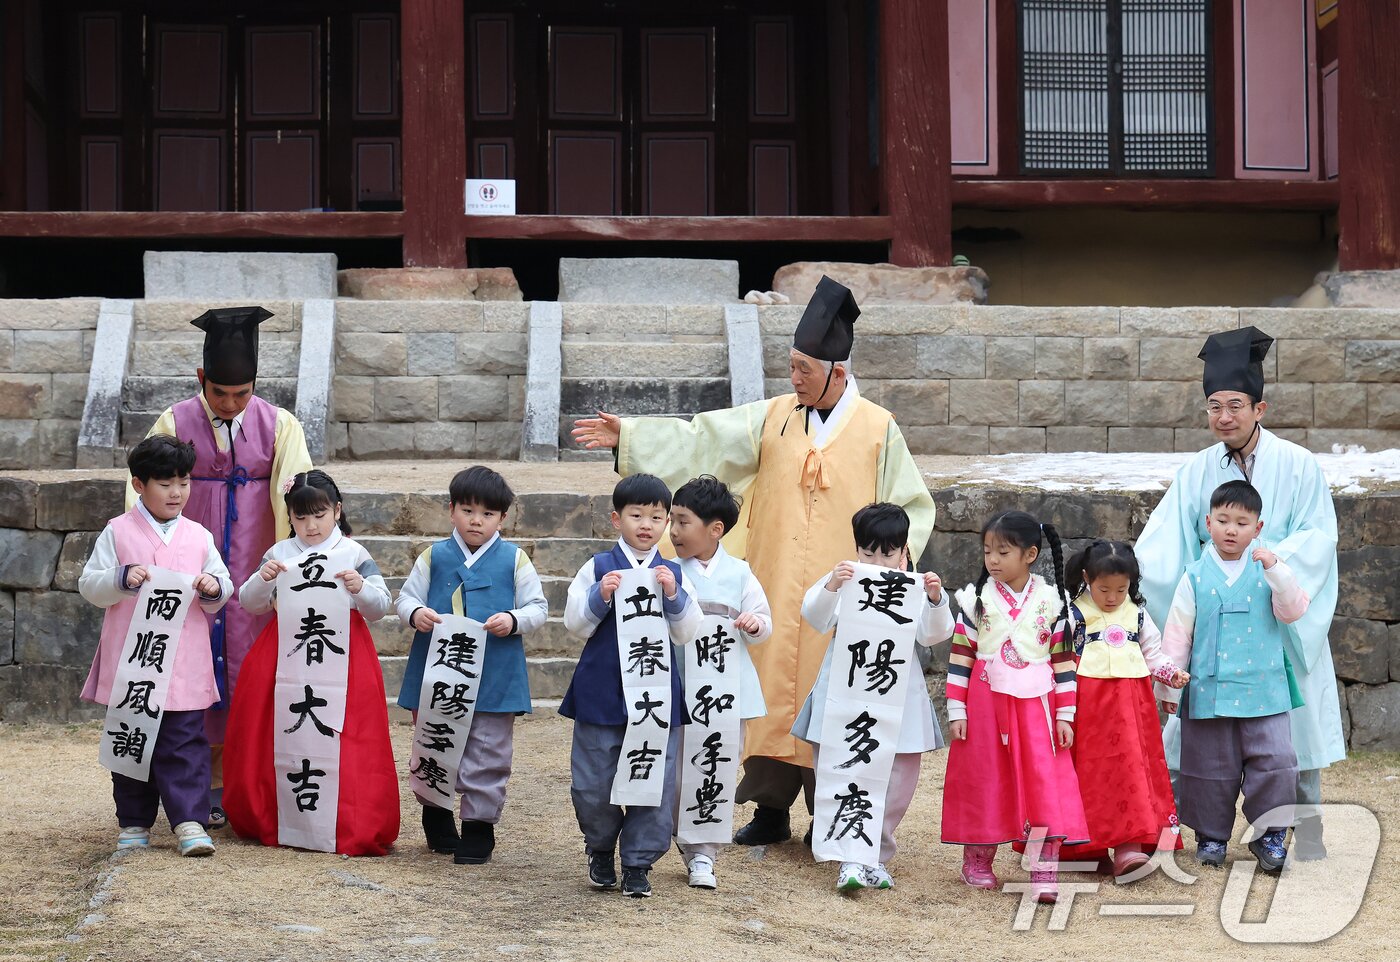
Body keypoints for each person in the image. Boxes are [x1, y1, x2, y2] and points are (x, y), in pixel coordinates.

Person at [572, 277, 935, 848]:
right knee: (765, 687)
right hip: (774, 577)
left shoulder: (877, 428)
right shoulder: (773, 417)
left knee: (836, 693)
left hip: (841, 594)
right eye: (790, 367)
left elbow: (910, 507)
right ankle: (769, 807)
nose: (793, 378)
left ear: (837, 372)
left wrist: (887, 572)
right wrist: (633, 435)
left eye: (804, 369)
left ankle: (831, 811)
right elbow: (702, 440)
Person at [1137, 327, 1344, 860]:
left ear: (1260, 407)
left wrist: (1264, 565)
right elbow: (1165, 546)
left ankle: (1294, 833)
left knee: (1282, 739)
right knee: (1206, 739)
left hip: (1274, 616)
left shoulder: (1299, 464)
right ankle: (1204, 831)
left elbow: (1317, 538)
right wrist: (1196, 586)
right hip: (1215, 621)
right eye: (1214, 406)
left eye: (1235, 405)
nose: (1223, 416)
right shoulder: (1197, 471)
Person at [132, 306, 313, 827]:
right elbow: (141, 489)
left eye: (242, 394)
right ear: (200, 379)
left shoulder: (280, 424)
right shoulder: (173, 420)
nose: (231, 405)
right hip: (192, 565)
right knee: (194, 665)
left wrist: (290, 565)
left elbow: (296, 493)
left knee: (252, 665)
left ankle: (251, 780)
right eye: (219, 393)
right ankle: (202, 783)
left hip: (257, 563)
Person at [223, 470, 400, 856]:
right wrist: (262, 580)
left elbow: (380, 607)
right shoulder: (280, 553)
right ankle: (274, 815)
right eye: (300, 518)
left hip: (345, 652)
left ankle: (349, 821)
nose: (310, 525)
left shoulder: (354, 553)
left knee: (346, 733)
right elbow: (250, 603)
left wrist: (361, 588)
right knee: (275, 729)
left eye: (318, 515)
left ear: (337, 511)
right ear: (290, 518)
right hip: (283, 651)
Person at [79, 435, 233, 856]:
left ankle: (189, 821)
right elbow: (90, 584)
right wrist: (121, 578)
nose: (177, 492)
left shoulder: (199, 536)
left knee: (184, 742)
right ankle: (133, 822)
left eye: (184, 481)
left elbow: (224, 588)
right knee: (130, 739)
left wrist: (211, 586)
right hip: (134, 662)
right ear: (138, 484)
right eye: (165, 483)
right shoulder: (117, 532)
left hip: (183, 661)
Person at [395, 466, 549, 864]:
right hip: (439, 669)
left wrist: (513, 620)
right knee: (434, 739)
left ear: (502, 518)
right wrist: (416, 614)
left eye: (487, 514)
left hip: (495, 670)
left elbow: (538, 608)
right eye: (467, 510)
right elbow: (405, 598)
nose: (476, 520)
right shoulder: (434, 556)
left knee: (488, 748)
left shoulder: (514, 559)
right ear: (451, 511)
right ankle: (436, 814)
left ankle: (480, 827)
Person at [794, 503, 949, 893]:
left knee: (898, 775)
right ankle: (850, 856)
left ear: (904, 551)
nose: (877, 561)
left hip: (897, 695)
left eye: (887, 553)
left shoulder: (913, 585)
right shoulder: (847, 580)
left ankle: (877, 854)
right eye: (868, 552)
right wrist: (831, 585)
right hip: (846, 692)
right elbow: (815, 617)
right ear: (857, 549)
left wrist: (934, 598)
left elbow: (933, 635)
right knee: (842, 766)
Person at [1156, 480, 1309, 873]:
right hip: (1208, 687)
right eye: (1223, 520)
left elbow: (1293, 610)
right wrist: (1169, 681)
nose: (1230, 529)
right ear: (1208, 522)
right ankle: (1211, 835)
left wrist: (1277, 571)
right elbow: (1177, 633)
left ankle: (1271, 834)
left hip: (1265, 688)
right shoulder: (1194, 576)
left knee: (1276, 760)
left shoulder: (1270, 571)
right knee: (1209, 766)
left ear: (1258, 528)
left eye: (1241, 522)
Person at [561, 474, 703, 898]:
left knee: (653, 779)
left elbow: (688, 632)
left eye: (656, 517)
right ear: (616, 519)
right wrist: (599, 596)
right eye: (636, 515)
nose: (646, 525)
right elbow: (574, 624)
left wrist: (674, 595)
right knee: (591, 782)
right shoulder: (598, 567)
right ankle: (600, 847)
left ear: (666, 523)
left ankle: (639, 862)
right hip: (601, 692)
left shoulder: (674, 572)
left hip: (655, 696)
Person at [941, 511, 1087, 905]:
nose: (992, 559)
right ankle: (977, 859)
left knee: (1044, 781)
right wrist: (957, 709)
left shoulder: (1054, 603)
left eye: (1003, 551)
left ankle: (1044, 867)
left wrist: (1065, 715)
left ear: (1030, 554)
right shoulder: (976, 600)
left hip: (1038, 708)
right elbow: (960, 658)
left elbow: (1064, 664)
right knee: (985, 776)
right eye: (987, 550)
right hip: (986, 704)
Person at [667, 475, 773, 890]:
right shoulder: (665, 572)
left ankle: (704, 854)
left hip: (728, 694)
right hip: (679, 688)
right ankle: (676, 837)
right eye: (671, 521)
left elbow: (764, 626)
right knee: (677, 771)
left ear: (715, 529)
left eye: (683, 522)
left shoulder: (741, 573)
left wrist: (753, 624)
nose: (673, 531)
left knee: (717, 769)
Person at [1060, 540, 1188, 877]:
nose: (1113, 597)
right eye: (1104, 589)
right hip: (1086, 705)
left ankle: (1130, 845)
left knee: (1132, 770)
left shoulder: (1138, 614)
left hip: (1133, 707)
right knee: (1088, 772)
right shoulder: (1072, 613)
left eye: (1122, 588)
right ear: (1086, 578)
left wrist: (1170, 673)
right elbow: (1058, 659)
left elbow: (1153, 654)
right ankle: (1085, 845)